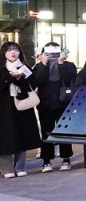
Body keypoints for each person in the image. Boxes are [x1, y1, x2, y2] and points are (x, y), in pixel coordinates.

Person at [32, 42, 77, 172]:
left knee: (64, 131)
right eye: (49, 52)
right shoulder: (39, 66)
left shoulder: (69, 65)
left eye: (55, 51)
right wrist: (43, 63)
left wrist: (61, 63)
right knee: (46, 132)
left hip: (63, 103)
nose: (52, 55)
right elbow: (38, 81)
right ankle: (46, 161)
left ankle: (66, 158)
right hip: (45, 104)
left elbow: (68, 78)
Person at [1, 41, 41, 178]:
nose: (13, 53)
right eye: (9, 50)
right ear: (4, 53)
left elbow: (32, 85)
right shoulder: (1, 68)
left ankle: (20, 166)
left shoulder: (25, 67)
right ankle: (6, 169)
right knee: (5, 136)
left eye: (16, 50)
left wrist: (19, 79)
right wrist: (9, 77)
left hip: (22, 106)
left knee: (21, 135)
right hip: (4, 107)